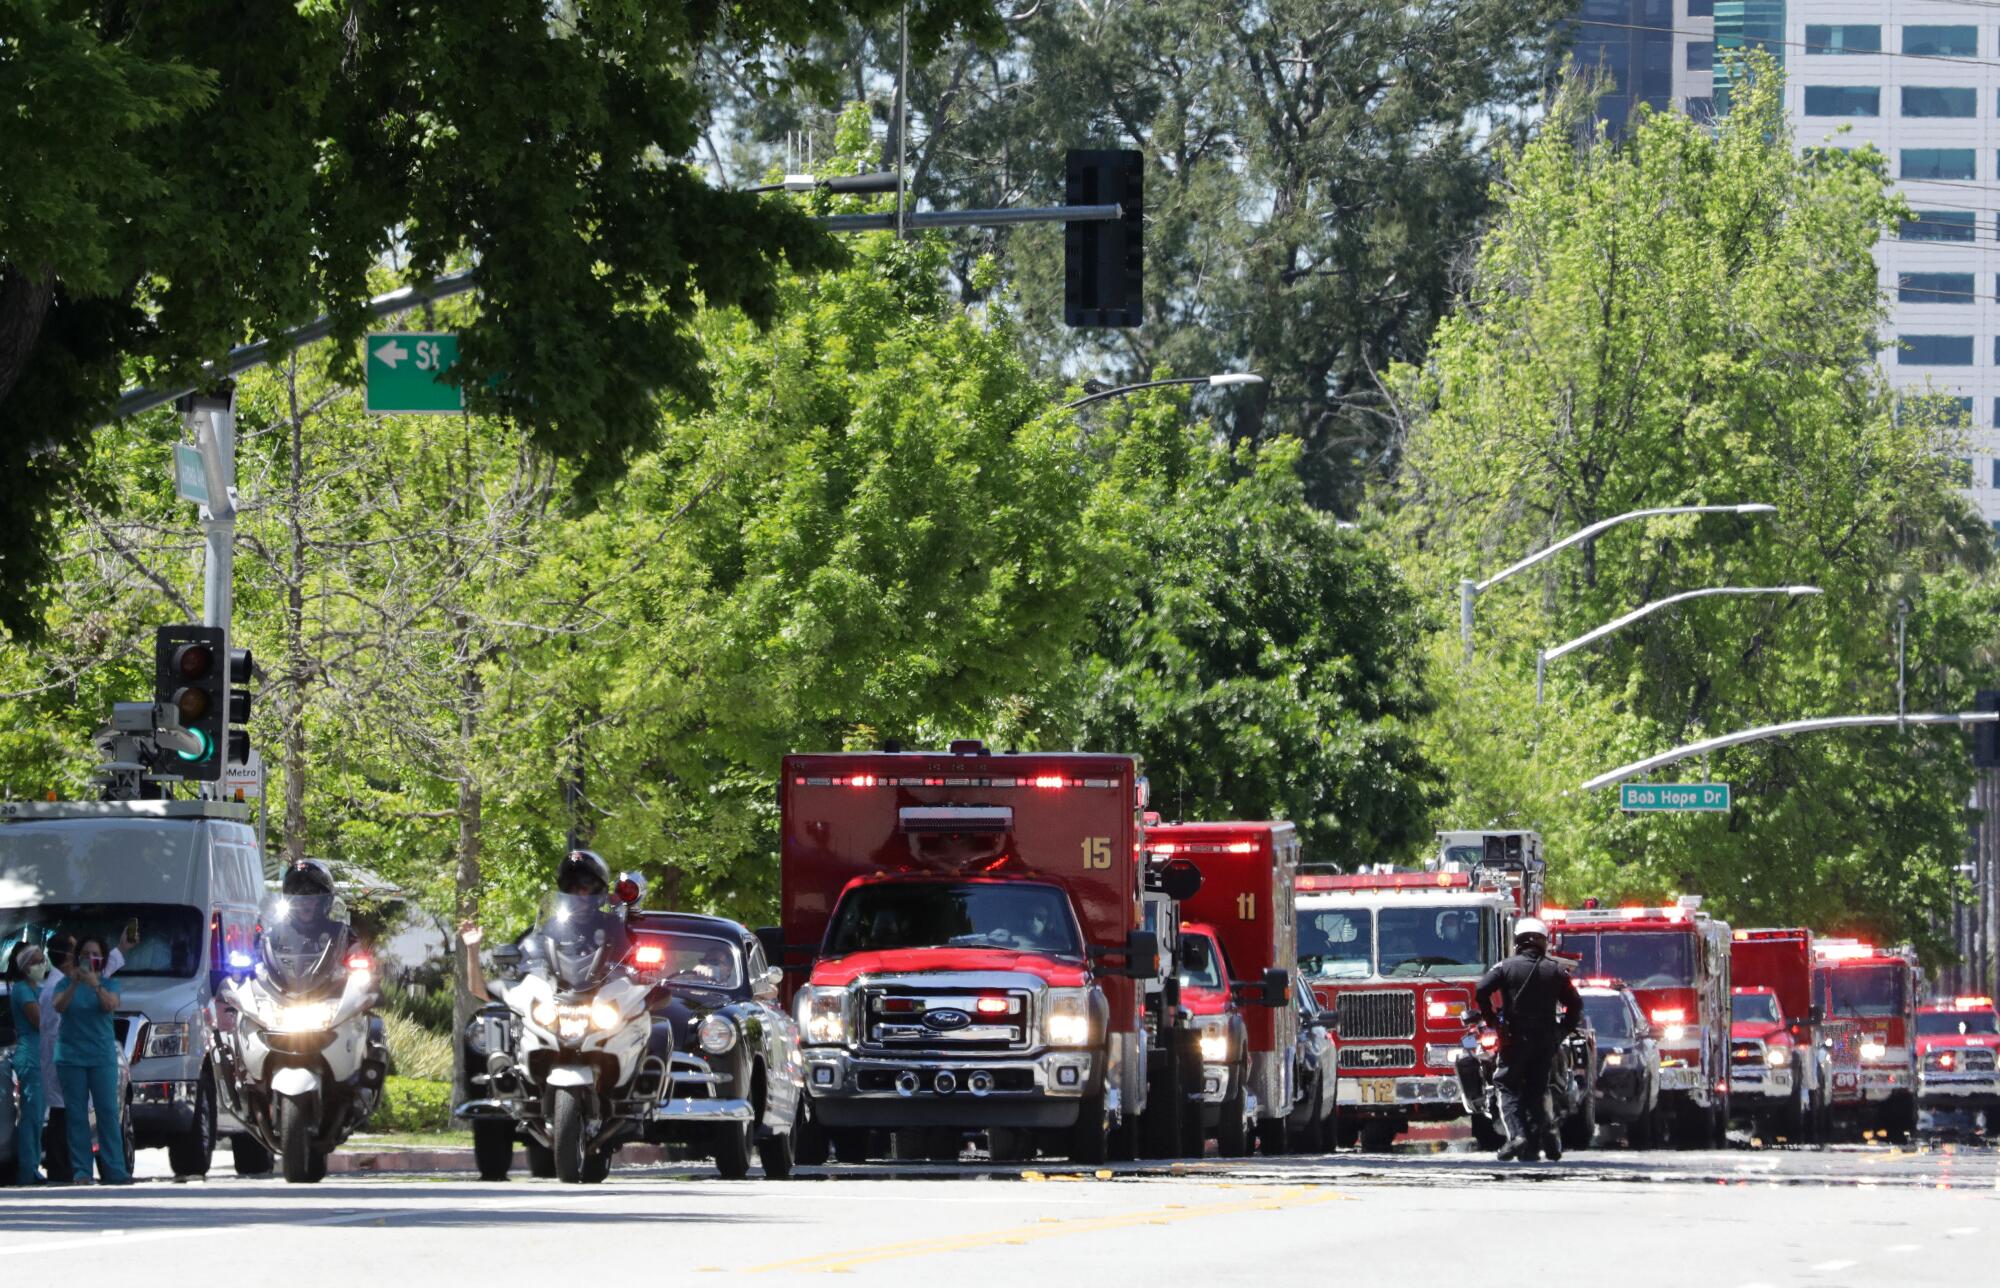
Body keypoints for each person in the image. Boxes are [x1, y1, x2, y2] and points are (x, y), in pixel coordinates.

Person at [1473, 916, 1582, 1163]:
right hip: (1545, 1042)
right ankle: (1546, 1138)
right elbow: (1575, 1005)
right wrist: (1561, 1031)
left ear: (1517, 941)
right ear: (1543, 942)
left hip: (1515, 1040)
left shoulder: (1505, 967)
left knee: (1505, 1085)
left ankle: (1518, 1137)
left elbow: (1481, 990)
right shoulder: (1556, 970)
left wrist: (1491, 1019)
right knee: (1537, 1090)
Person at [460, 849, 614, 1003]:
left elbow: (635, 973)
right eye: (571, 890)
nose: (577, 896)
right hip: (552, 1012)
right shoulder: (547, 932)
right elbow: (481, 992)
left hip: (607, 1009)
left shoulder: (614, 928)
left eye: (584, 890)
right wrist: (472, 950)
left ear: (598, 892)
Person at [38, 928, 128, 1183]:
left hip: (100, 1056)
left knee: (107, 1113)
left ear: (102, 958)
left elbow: (110, 1004)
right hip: (70, 1057)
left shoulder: (109, 983)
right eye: (86, 954)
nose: (90, 958)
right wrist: (77, 982)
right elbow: (59, 1006)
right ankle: (81, 1171)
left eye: (95, 954)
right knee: (76, 1115)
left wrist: (95, 984)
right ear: (77, 957)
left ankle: (115, 1170)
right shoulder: (64, 984)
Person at [7, 942, 48, 1184]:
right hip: (30, 1054)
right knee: (31, 1114)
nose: (42, 965)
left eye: (43, 959)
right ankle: (27, 1169)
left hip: (41, 1054)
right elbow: (39, 1020)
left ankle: (33, 1164)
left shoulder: (39, 989)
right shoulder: (23, 990)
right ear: (24, 966)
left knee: (37, 1113)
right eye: (35, 961)